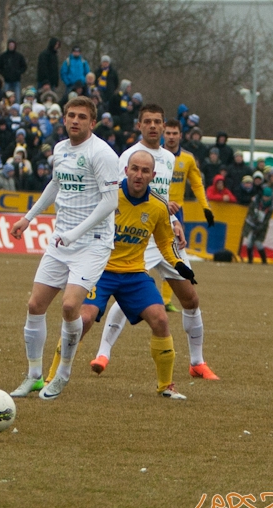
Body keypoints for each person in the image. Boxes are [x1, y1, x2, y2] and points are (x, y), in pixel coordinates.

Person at [82, 103, 218, 381]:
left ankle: (197, 362)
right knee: (126, 296)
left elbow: (161, 197)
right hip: (135, 239)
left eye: (158, 121)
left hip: (163, 236)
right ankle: (103, 353)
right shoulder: (129, 156)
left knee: (190, 297)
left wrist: (173, 222)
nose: (154, 126)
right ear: (140, 125)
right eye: (149, 122)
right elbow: (121, 195)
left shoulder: (168, 158)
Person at [8, 96, 119, 401]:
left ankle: (62, 374)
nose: (74, 121)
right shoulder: (60, 149)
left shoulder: (102, 153)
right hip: (61, 241)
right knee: (34, 306)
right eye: (70, 115)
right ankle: (33, 376)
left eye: (81, 117)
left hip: (92, 243)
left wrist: (76, 233)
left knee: (70, 307)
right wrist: (28, 218)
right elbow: (55, 184)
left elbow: (111, 202)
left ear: (92, 122)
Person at [64, 151, 195, 399]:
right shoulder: (108, 197)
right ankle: (54, 376)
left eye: (145, 171)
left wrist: (179, 265)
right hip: (101, 269)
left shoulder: (158, 206)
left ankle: (166, 386)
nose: (139, 174)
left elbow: (166, 243)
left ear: (153, 176)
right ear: (125, 170)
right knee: (83, 319)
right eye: (135, 168)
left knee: (160, 320)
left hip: (134, 273)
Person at [160, 119, 212, 313]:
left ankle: (165, 299)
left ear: (181, 135)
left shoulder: (188, 159)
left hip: (176, 212)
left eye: (175, 133)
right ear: (163, 133)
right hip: (154, 207)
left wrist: (205, 207)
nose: (171, 137)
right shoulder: (155, 156)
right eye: (168, 133)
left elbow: (197, 184)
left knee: (174, 253)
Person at [241, 187, 273, 264]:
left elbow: (266, 220)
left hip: (261, 227)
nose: (266, 198)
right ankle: (250, 260)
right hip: (251, 224)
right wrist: (254, 217)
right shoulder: (255, 201)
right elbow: (250, 211)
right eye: (265, 196)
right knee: (249, 242)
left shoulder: (271, 207)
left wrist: (259, 228)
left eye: (268, 197)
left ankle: (264, 261)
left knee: (258, 243)